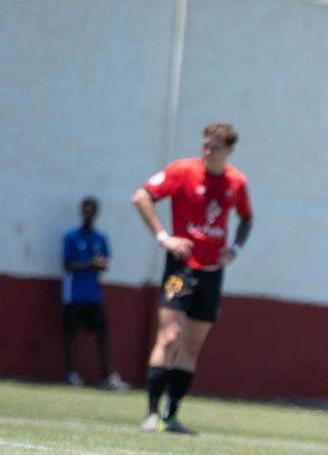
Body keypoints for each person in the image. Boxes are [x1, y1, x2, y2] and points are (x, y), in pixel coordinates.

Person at [131, 122, 253, 435]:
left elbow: (246, 218)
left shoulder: (236, 182)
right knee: (169, 335)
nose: (207, 151)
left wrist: (235, 249)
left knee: (192, 345)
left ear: (228, 151)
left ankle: (172, 416)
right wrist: (164, 237)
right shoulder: (181, 170)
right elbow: (141, 197)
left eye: (214, 146)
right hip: (180, 269)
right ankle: (151, 412)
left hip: (213, 272)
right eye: (205, 144)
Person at [61, 196, 129, 390]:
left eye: (91, 209)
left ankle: (107, 376)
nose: (88, 212)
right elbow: (67, 264)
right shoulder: (71, 237)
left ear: (97, 212)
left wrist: (100, 265)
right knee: (70, 334)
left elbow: (105, 264)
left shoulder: (100, 238)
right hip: (74, 294)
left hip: (93, 294)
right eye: (85, 208)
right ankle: (71, 374)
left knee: (102, 333)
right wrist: (90, 264)